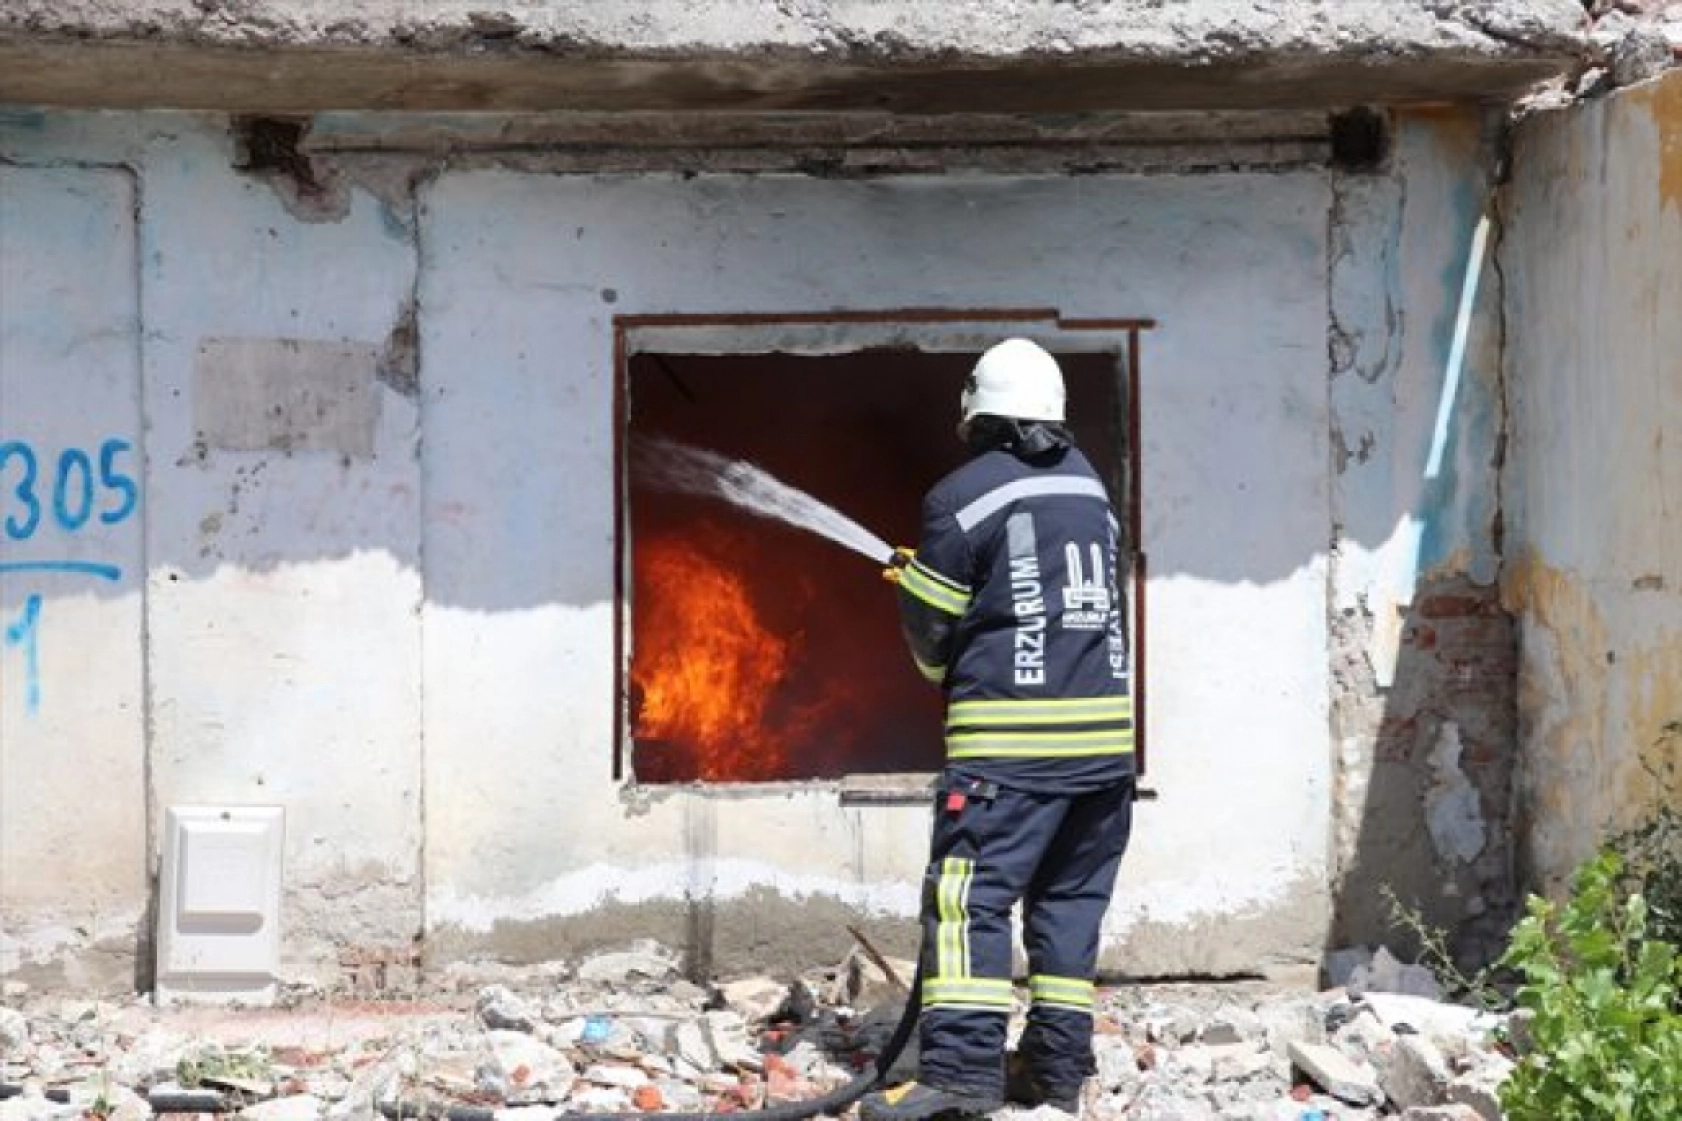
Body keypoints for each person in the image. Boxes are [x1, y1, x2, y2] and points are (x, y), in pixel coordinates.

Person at [862, 338, 1137, 1121]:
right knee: (1067, 908)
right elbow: (1042, 593)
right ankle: (1054, 1072)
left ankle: (958, 1076)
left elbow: (934, 647)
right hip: (1102, 759)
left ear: (978, 414)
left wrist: (918, 590)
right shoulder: (1092, 489)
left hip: (1008, 758)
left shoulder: (962, 496)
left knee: (966, 902)